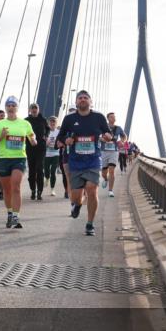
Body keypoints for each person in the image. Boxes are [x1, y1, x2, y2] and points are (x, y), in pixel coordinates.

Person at [59, 91, 113, 236]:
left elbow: (107, 134)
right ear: (76, 102)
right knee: (76, 195)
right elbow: (60, 137)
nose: (82, 100)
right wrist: (66, 141)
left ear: (91, 101)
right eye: (80, 98)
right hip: (75, 162)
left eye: (85, 98)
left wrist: (108, 137)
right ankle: (76, 205)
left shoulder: (98, 117)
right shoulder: (69, 119)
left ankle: (90, 224)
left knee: (91, 189)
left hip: (93, 160)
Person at [0, 97, 37, 228]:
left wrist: (33, 140)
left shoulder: (25, 124)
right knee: (7, 189)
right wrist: (2, 136)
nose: (11, 107)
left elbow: (32, 136)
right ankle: (10, 213)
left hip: (19, 158)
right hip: (4, 159)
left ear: (17, 108)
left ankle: (16, 215)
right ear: (6, 108)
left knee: (16, 185)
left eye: (13, 105)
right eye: (8, 105)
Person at [24, 103, 49, 201]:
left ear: (38, 109)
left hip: (41, 148)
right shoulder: (26, 121)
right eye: (32, 108)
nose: (34, 110)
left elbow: (47, 129)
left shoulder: (43, 120)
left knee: (39, 169)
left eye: (36, 108)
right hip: (30, 148)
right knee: (32, 170)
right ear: (30, 110)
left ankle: (39, 192)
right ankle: (33, 190)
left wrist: (46, 135)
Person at [99, 112, 126, 198]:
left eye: (114, 117)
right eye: (111, 117)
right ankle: (106, 179)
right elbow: (96, 135)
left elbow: (124, 136)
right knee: (104, 172)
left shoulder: (118, 128)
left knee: (111, 170)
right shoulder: (102, 127)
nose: (113, 118)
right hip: (104, 151)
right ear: (108, 118)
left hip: (114, 151)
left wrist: (122, 141)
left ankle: (110, 190)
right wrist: (102, 139)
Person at [44, 116, 61, 196]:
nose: (52, 123)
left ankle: (52, 189)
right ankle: (47, 178)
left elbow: (62, 142)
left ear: (56, 123)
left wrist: (59, 144)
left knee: (53, 172)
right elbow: (41, 142)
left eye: (54, 122)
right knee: (46, 171)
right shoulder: (45, 131)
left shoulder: (59, 132)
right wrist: (45, 144)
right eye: (51, 121)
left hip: (56, 154)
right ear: (48, 123)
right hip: (46, 154)